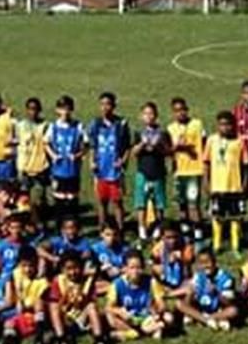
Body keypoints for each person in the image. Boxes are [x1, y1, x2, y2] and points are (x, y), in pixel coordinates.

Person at [46, 251, 111, 344]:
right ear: (62, 270)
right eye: (68, 269)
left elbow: (93, 297)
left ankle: (99, 342)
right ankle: (62, 342)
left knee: (91, 306)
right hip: (67, 319)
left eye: (76, 268)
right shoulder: (58, 281)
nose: (73, 272)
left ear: (81, 267)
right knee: (53, 307)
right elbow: (56, 303)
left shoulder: (87, 281)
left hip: (83, 318)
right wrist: (66, 298)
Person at [105, 250, 174, 342]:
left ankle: (136, 333)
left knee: (169, 318)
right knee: (110, 316)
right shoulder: (117, 284)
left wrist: (157, 311)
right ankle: (141, 332)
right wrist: (120, 311)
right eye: (132, 268)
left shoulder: (151, 281)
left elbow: (161, 303)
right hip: (128, 319)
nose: (136, 271)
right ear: (124, 268)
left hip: (147, 317)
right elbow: (108, 307)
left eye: (139, 267)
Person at [87, 92, 130, 233]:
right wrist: (92, 161)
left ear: (114, 106)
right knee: (101, 201)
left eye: (108, 104)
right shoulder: (95, 124)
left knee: (117, 202)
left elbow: (127, 146)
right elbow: (92, 145)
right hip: (100, 170)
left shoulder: (121, 124)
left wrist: (123, 161)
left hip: (115, 170)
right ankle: (102, 228)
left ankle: (120, 229)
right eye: (102, 104)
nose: (105, 107)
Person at [207, 110, 248, 256]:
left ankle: (235, 245)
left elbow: (245, 165)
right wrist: (207, 183)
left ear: (233, 125)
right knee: (217, 216)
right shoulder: (212, 140)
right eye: (221, 125)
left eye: (228, 125)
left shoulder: (239, 141)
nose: (225, 128)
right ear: (217, 126)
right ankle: (217, 244)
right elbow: (206, 163)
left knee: (235, 217)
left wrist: (244, 184)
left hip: (234, 187)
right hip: (217, 186)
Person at [129, 101, 171, 240]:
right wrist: (143, 144)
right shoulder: (138, 133)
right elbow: (134, 152)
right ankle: (142, 229)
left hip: (158, 172)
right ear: (141, 116)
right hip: (143, 172)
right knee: (141, 203)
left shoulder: (163, 133)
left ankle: (158, 228)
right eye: (146, 113)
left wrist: (157, 146)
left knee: (159, 203)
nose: (149, 116)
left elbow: (168, 151)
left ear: (156, 115)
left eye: (151, 113)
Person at [168, 97, 207, 241]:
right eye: (177, 111)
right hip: (179, 171)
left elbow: (204, 143)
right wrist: (176, 148)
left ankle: (198, 233)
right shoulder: (171, 128)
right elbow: (169, 150)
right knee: (181, 204)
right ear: (173, 113)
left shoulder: (197, 124)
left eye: (183, 110)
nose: (181, 113)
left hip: (194, 171)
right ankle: (185, 232)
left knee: (193, 204)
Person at [174, 248, 239, 331]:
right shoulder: (198, 276)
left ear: (215, 262)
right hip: (201, 307)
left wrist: (217, 293)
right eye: (201, 263)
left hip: (218, 309)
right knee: (179, 303)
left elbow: (229, 303)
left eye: (208, 262)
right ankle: (208, 320)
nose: (205, 266)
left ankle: (202, 318)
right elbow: (188, 289)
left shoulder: (226, 278)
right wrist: (168, 294)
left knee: (234, 311)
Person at [45, 95, 86, 226]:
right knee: (59, 199)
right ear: (57, 110)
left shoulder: (78, 126)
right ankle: (59, 227)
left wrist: (78, 155)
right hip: (58, 170)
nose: (65, 112)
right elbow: (45, 143)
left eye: (68, 109)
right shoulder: (53, 127)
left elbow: (87, 144)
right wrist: (53, 155)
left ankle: (73, 227)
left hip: (73, 170)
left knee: (72, 199)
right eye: (62, 109)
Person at [15, 97, 51, 217]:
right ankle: (26, 221)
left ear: (39, 110)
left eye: (35, 109)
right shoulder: (20, 126)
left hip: (40, 166)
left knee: (40, 197)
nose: (33, 112)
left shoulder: (46, 126)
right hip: (24, 167)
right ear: (26, 110)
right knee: (24, 198)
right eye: (30, 109)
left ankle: (41, 221)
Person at [150, 222, 195, 290]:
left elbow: (190, 261)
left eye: (175, 237)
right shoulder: (158, 248)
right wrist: (157, 267)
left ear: (180, 235)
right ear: (162, 237)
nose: (172, 241)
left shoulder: (186, 246)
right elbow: (152, 263)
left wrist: (181, 258)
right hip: (165, 279)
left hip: (183, 280)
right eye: (168, 237)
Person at [89, 220, 130, 289]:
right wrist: (100, 269)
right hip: (102, 279)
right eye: (108, 235)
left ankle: (113, 287)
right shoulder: (95, 249)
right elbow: (86, 270)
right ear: (101, 234)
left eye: (114, 234)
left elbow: (131, 267)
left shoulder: (124, 249)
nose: (111, 238)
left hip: (119, 278)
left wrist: (119, 270)